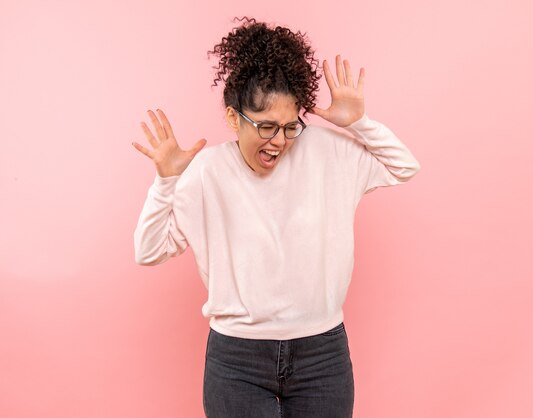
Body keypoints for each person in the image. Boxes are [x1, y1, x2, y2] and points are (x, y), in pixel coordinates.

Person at [131, 16, 420, 418]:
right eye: (266, 127)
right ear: (234, 119)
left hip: (323, 354)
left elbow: (404, 166)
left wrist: (358, 124)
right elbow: (149, 251)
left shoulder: (325, 151)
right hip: (237, 359)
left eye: (289, 127)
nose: (279, 141)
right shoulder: (207, 172)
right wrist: (166, 181)